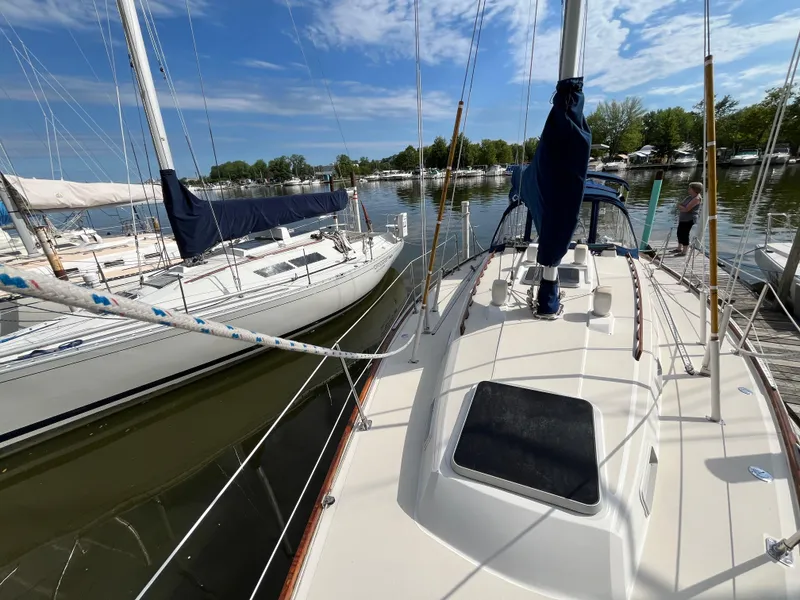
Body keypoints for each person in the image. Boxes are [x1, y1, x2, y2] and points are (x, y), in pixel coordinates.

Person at [674, 182, 703, 255]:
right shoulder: (689, 197)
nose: (688, 189)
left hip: (689, 219)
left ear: (694, 189)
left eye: (690, 188)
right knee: (679, 232)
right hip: (683, 218)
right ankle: (679, 248)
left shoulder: (696, 198)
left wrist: (682, 207)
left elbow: (687, 209)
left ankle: (684, 251)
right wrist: (682, 207)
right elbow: (680, 205)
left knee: (684, 234)